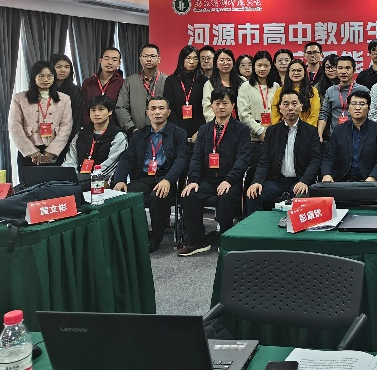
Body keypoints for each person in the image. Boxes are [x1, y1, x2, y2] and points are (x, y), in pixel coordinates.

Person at [178, 88, 251, 256]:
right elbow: (196, 158)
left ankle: (225, 238)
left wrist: (229, 180)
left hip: (230, 180)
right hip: (208, 179)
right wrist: (193, 180)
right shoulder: (204, 130)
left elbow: (243, 159)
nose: (221, 107)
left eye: (225, 103)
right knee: (189, 195)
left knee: (225, 196)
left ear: (233, 105)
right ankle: (197, 241)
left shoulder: (241, 130)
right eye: (217, 103)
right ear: (211, 105)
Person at [113, 95, 189, 252]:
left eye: (161, 108)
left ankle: (155, 239)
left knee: (157, 196)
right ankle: (140, 235)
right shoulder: (138, 135)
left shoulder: (178, 133)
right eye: (153, 109)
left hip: (166, 178)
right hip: (143, 178)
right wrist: (119, 180)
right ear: (147, 112)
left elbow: (181, 159)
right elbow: (127, 158)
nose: (157, 112)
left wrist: (168, 180)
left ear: (168, 112)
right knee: (127, 196)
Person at [245, 89, 321, 212]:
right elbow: (264, 160)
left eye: (294, 103)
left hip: (299, 180)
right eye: (286, 104)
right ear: (280, 108)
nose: (290, 108)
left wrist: (305, 181)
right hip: (276, 181)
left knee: (302, 198)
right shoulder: (271, 131)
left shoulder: (311, 131)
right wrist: (257, 182)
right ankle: (258, 225)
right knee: (253, 195)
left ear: (301, 106)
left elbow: (315, 160)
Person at [9, 61, 73, 166]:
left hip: (55, 152)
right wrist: (31, 151)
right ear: (34, 77)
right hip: (28, 153)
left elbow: (66, 126)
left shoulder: (64, 99)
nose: (46, 80)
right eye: (41, 76)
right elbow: (15, 126)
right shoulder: (19, 98)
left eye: (50, 76)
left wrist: (53, 151)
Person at [320, 90, 377, 182]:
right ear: (348, 108)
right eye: (353, 104)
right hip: (341, 180)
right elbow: (329, 156)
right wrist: (326, 174)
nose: (357, 108)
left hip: (368, 180)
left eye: (362, 104)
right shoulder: (339, 130)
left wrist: (373, 177)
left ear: (369, 108)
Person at [63, 95, 127, 191]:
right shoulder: (81, 134)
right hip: (77, 180)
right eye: (93, 110)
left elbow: (111, 164)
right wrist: (71, 177)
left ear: (110, 112)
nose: (96, 113)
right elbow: (70, 159)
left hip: (102, 181)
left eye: (101, 109)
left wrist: (91, 177)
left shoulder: (118, 136)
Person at [237, 50, 279, 181]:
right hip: (253, 139)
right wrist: (259, 131)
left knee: (272, 176)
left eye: (266, 65)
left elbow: (279, 111)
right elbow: (243, 114)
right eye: (259, 65)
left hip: (273, 138)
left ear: (271, 67)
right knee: (253, 176)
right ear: (254, 66)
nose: (262, 69)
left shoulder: (276, 86)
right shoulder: (245, 87)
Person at [116, 43, 168, 137]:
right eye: (145, 56)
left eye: (152, 56)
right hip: (135, 133)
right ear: (140, 59)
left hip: (163, 134)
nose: (149, 59)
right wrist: (132, 128)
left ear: (159, 59)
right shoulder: (130, 81)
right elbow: (121, 107)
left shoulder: (167, 81)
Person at [318, 55, 369, 143]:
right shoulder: (330, 91)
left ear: (354, 70)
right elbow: (324, 114)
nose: (343, 72)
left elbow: (369, 114)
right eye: (340, 68)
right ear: (336, 70)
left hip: (358, 138)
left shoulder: (363, 90)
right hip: (335, 138)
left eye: (347, 68)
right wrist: (319, 135)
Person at [164, 46, 205, 143]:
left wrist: (200, 131)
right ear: (182, 59)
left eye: (195, 59)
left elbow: (206, 108)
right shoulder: (171, 81)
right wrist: (178, 131)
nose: (192, 62)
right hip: (176, 131)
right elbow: (169, 107)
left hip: (199, 132)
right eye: (188, 58)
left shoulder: (203, 81)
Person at [79, 46, 124, 126]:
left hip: (114, 128)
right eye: (106, 59)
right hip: (90, 128)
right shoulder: (88, 83)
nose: (110, 62)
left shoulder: (123, 83)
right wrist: (89, 126)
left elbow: (122, 109)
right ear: (101, 60)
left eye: (114, 60)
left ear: (119, 63)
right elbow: (83, 107)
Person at [270, 59, 320, 125]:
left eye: (299, 70)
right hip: (283, 129)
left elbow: (314, 115)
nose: (296, 73)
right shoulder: (279, 91)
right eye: (293, 70)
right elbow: (275, 114)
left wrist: (306, 129)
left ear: (304, 72)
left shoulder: (312, 92)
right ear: (288, 72)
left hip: (306, 129)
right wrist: (280, 128)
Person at [203, 48, 243, 121]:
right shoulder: (209, 84)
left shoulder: (242, 81)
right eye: (221, 60)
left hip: (241, 124)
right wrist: (220, 124)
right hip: (219, 124)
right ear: (216, 64)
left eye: (228, 60)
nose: (225, 63)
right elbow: (208, 110)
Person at [49, 53, 81, 141]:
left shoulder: (75, 90)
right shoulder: (44, 88)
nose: (63, 70)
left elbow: (77, 117)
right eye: (59, 67)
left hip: (67, 136)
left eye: (67, 67)